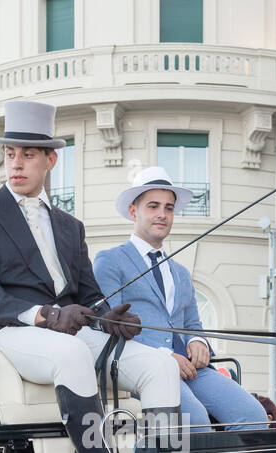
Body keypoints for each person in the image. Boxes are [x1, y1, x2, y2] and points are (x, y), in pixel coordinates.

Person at [0, 100, 182, 453]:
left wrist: (107, 317)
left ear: (51, 160)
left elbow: (86, 295)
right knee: (70, 351)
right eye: (11, 153)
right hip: (7, 332)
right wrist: (46, 315)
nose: (16, 163)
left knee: (161, 365)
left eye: (28, 155)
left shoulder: (70, 226)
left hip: (68, 331)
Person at [94, 167, 266, 432]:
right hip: (144, 367)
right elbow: (109, 325)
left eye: (169, 208)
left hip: (191, 370)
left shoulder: (181, 273)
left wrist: (198, 342)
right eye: (153, 206)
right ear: (133, 211)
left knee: (253, 414)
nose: (162, 214)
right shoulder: (110, 261)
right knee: (194, 419)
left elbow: (192, 324)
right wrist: (165, 356)